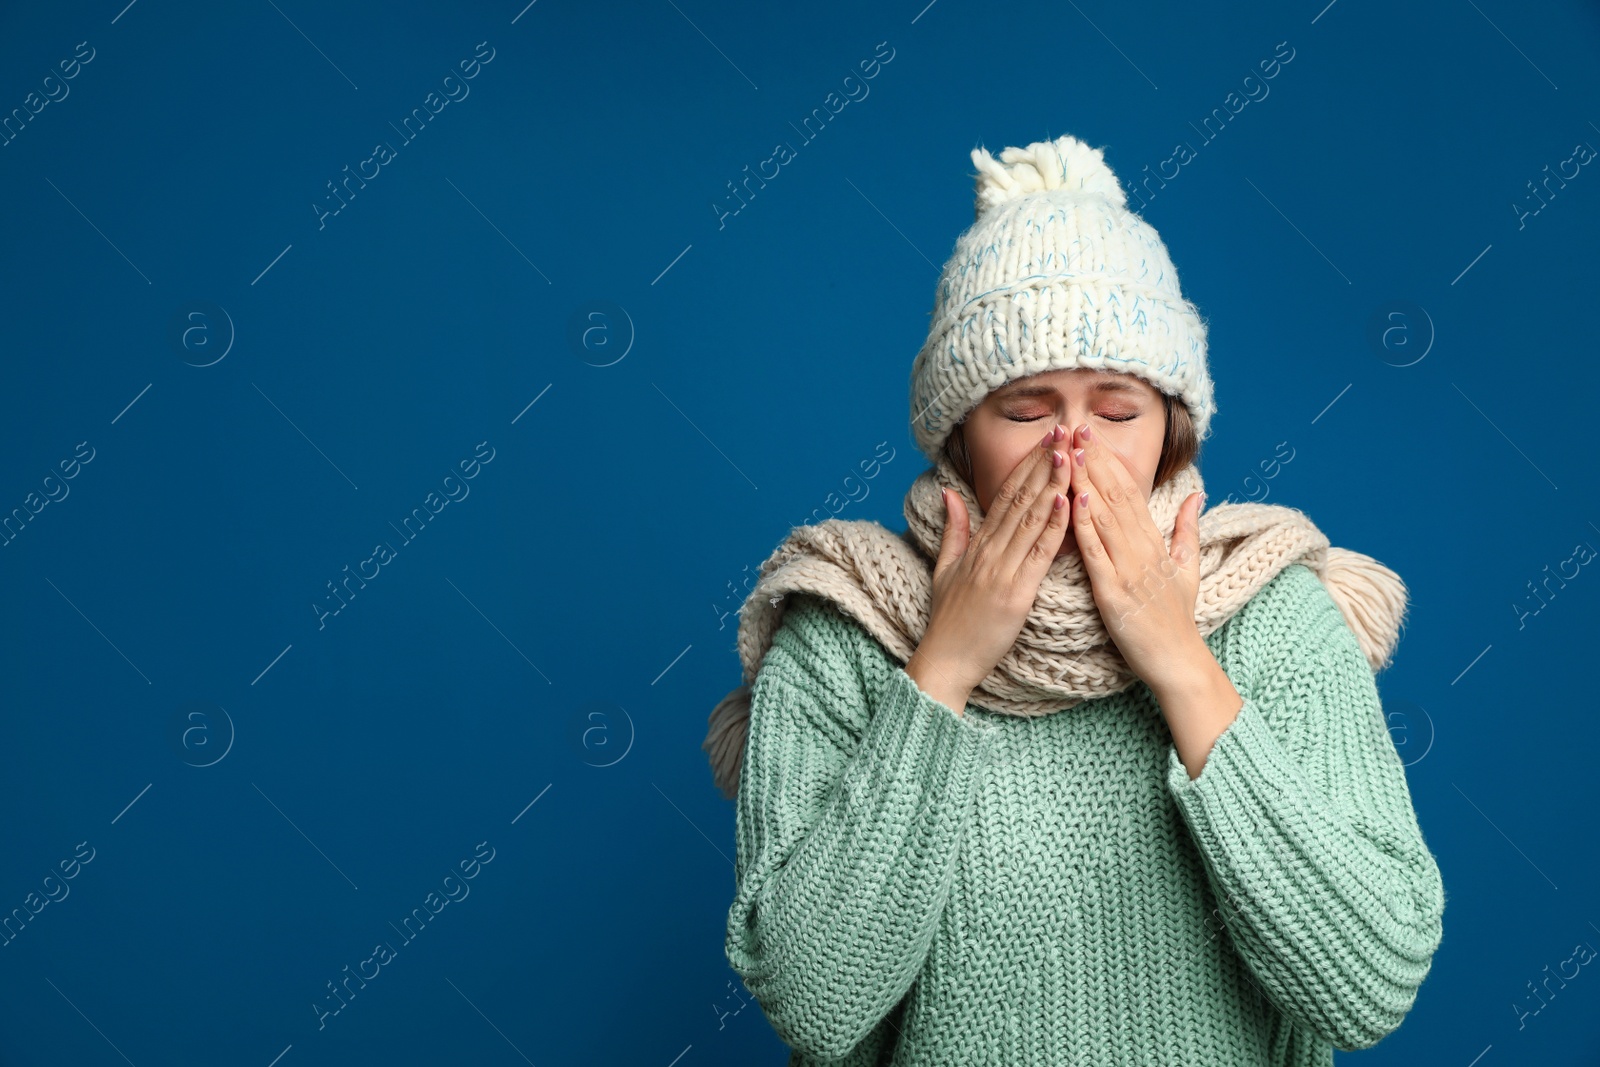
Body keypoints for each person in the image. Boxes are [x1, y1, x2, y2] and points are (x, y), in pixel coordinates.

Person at [704, 132, 1445, 1066]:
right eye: (1025, 409)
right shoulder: (846, 626)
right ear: (957, 435)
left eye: (1118, 409)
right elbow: (812, 1002)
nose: (1073, 449)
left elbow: (1371, 984)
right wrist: (944, 667)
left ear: (1174, 425)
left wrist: (1178, 658)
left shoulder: (1276, 614)